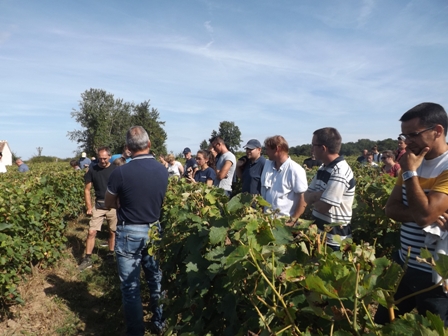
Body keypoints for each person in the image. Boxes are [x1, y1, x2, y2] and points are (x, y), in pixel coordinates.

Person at [374, 102, 448, 326]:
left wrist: (409, 173)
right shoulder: (411, 164)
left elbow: (424, 216)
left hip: (435, 272)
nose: (406, 142)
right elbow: (391, 209)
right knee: (382, 324)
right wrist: (422, 213)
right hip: (403, 264)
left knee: (432, 330)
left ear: (437, 131)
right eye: (403, 136)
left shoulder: (424, 167)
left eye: (412, 135)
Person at [105, 126, 168, 335]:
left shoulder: (120, 172)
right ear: (149, 144)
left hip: (128, 231)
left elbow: (108, 202)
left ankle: (136, 331)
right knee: (156, 280)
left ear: (128, 149)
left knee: (131, 288)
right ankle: (159, 323)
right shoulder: (162, 170)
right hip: (154, 230)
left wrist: (123, 203)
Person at [304, 128, 356, 250]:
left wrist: (314, 197)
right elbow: (305, 197)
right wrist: (320, 195)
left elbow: (323, 207)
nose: (311, 149)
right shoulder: (323, 168)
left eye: (313, 145)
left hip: (335, 241)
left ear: (323, 148)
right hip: (319, 236)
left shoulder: (340, 171)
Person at [78, 146, 117, 271]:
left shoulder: (116, 169)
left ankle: (110, 254)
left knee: (112, 231)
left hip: (113, 206)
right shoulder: (92, 170)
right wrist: (89, 207)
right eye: (100, 158)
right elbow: (87, 190)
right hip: (99, 205)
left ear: (109, 157)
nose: (102, 161)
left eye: (105, 158)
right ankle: (88, 258)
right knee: (91, 232)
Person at [260, 135, 308, 226]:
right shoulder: (267, 165)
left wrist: (293, 220)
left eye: (268, 149)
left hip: (284, 222)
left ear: (277, 148)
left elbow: (304, 197)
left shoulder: (295, 169)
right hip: (267, 220)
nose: (266, 152)